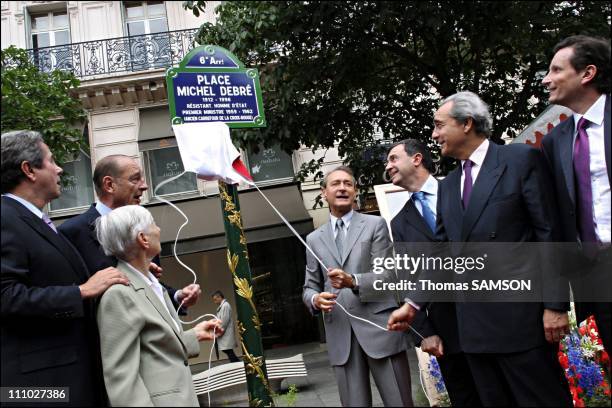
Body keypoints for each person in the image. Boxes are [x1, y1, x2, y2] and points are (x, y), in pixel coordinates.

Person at [388, 92, 572, 406]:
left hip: (522, 325)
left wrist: (554, 305)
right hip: (473, 334)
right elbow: (441, 253)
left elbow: (548, 234)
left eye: (439, 125)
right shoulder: (448, 186)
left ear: (467, 123)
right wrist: (414, 305)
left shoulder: (519, 160)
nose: (434, 135)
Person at [1, 130, 129, 406]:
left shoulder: (35, 221)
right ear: (29, 170)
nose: (59, 168)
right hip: (41, 390)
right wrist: (81, 291)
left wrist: (135, 276)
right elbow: (6, 296)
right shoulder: (5, 218)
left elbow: (66, 278)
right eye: (51, 160)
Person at [302, 166, 413, 407]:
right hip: (341, 337)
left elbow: (389, 276)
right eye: (335, 184)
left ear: (355, 192)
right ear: (324, 193)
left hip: (380, 331)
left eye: (348, 184)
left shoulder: (375, 225)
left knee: (400, 402)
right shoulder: (313, 239)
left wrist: (353, 281)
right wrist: (314, 299)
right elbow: (309, 287)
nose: (342, 188)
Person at [95, 205, 222, 407]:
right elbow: (122, 379)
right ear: (143, 239)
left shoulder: (154, 286)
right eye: (153, 224)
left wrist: (193, 335)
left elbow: (154, 346)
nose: (159, 229)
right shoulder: (119, 294)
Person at [385, 139, 480, 406]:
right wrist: (424, 331)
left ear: (416, 159)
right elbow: (407, 278)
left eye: (393, 159)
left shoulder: (461, 189)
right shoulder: (400, 222)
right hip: (447, 335)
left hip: (491, 318)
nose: (388, 166)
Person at [59, 154, 201, 312]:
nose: (145, 186)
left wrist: (177, 297)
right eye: (135, 179)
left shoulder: (143, 225)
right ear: (109, 184)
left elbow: (149, 286)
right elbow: (71, 294)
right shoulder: (71, 233)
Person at [541, 35, 611, 352]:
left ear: (587, 73)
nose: (547, 79)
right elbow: (555, 222)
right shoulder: (555, 142)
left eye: (556, 70)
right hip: (594, 280)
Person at [212, 290, 240, 362]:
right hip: (225, 332)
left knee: (227, 349)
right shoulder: (223, 306)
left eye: (215, 300)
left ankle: (236, 363)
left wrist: (219, 330)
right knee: (227, 349)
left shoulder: (225, 305)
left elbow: (224, 320)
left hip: (226, 332)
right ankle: (235, 362)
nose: (214, 302)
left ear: (220, 297)